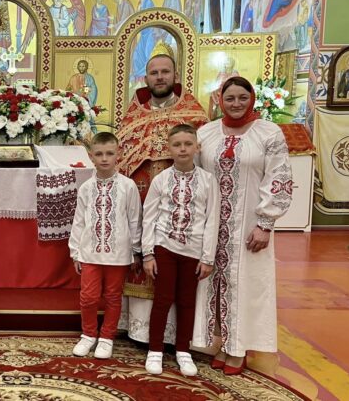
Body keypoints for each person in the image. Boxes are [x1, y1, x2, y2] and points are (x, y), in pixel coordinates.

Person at [193, 76, 293, 375]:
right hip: (213, 225)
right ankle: (222, 343)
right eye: (230, 98)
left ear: (252, 99)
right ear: (220, 100)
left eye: (242, 98)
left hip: (250, 223)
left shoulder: (268, 133)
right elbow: (197, 176)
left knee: (247, 284)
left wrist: (265, 223)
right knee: (214, 282)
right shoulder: (207, 133)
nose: (236, 104)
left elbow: (279, 178)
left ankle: (240, 349)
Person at [116, 52, 208, 345]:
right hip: (141, 195)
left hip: (181, 206)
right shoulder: (133, 115)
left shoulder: (194, 114)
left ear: (175, 76)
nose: (159, 77)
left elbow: (202, 158)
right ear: (146, 78)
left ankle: (175, 338)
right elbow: (122, 154)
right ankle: (139, 330)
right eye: (154, 73)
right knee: (145, 256)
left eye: (165, 72)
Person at [142, 124, 220, 376]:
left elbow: (212, 219)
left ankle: (183, 351)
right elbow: (149, 217)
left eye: (188, 144)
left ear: (197, 147)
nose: (183, 149)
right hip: (165, 248)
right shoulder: (161, 180)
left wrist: (207, 257)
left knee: (187, 302)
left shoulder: (208, 181)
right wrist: (148, 253)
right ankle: (155, 350)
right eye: (177, 145)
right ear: (169, 148)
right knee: (162, 299)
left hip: (193, 251)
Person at [69, 132, 142, 359]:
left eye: (109, 153)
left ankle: (107, 337)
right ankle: (88, 334)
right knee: (88, 297)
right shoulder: (86, 188)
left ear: (118, 154)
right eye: (99, 154)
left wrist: (136, 250)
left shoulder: (128, 186)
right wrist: (75, 251)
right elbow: (79, 221)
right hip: (90, 253)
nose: (104, 158)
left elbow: (134, 219)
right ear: (91, 156)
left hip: (118, 254)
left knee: (112, 297)